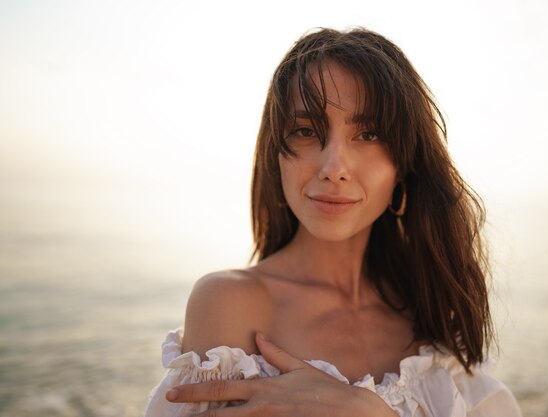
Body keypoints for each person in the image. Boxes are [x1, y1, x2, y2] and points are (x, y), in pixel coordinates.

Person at [144, 27, 522, 417]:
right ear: (277, 154)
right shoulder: (230, 304)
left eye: (369, 133)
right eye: (306, 131)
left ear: (404, 164)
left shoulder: (428, 313)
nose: (334, 168)